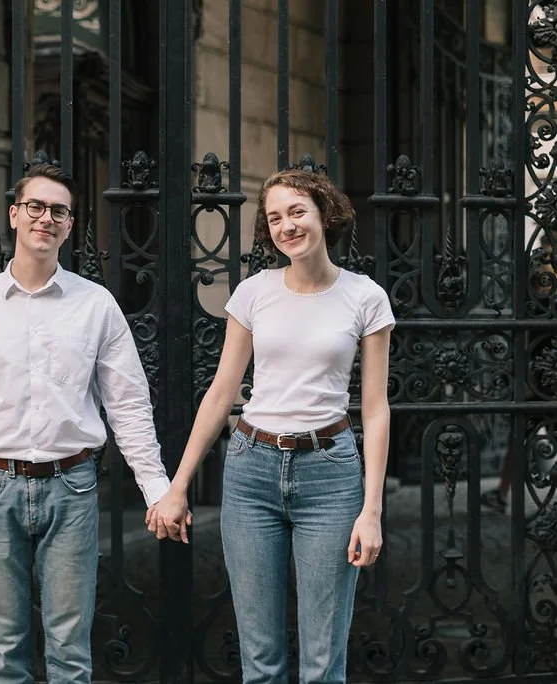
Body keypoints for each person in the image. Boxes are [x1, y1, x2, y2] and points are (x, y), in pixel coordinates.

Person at [148, 169, 394, 683]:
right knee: (260, 661)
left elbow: (374, 408)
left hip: (330, 475)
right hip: (252, 470)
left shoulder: (365, 297)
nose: (287, 226)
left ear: (325, 214)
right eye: (276, 217)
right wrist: (178, 486)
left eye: (298, 211)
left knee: (324, 663)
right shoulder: (253, 293)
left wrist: (371, 510)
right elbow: (221, 393)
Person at [0, 163, 170, 683]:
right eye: (35, 207)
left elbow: (127, 402)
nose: (46, 218)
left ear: (68, 224)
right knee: (5, 651)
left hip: (71, 485)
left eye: (58, 210)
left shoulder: (96, 304)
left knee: (69, 648)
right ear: (15, 215)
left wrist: (156, 488)